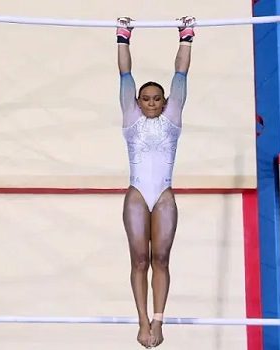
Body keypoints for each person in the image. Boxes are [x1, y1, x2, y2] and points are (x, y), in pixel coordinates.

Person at [117, 15, 195, 348]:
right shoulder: (130, 117)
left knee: (161, 260)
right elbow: (125, 74)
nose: (150, 103)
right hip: (137, 195)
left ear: (166, 103)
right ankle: (141, 321)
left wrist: (186, 37)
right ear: (136, 103)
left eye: (156, 99)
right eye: (145, 99)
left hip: (163, 196)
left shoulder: (173, 118)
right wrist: (123, 38)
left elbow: (181, 73)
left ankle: (159, 322)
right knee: (139, 260)